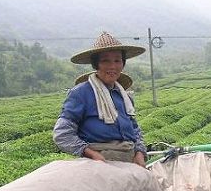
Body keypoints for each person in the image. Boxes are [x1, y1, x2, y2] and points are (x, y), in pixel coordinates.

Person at [53, 32, 147, 167]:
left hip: (130, 159)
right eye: (105, 61)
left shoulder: (124, 96)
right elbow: (62, 133)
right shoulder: (81, 94)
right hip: (99, 163)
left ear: (123, 63)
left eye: (117, 60)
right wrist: (91, 154)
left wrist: (139, 152)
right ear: (96, 64)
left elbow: (135, 130)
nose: (112, 66)